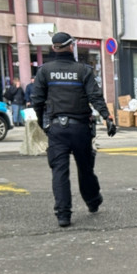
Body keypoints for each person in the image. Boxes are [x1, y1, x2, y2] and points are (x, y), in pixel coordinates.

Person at [31, 31, 117, 228]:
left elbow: (37, 101)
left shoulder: (44, 71)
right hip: (80, 128)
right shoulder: (83, 70)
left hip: (56, 129)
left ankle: (63, 215)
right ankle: (93, 201)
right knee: (85, 168)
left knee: (59, 172)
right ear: (71, 46)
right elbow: (95, 96)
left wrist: (43, 124)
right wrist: (107, 117)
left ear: (54, 48)